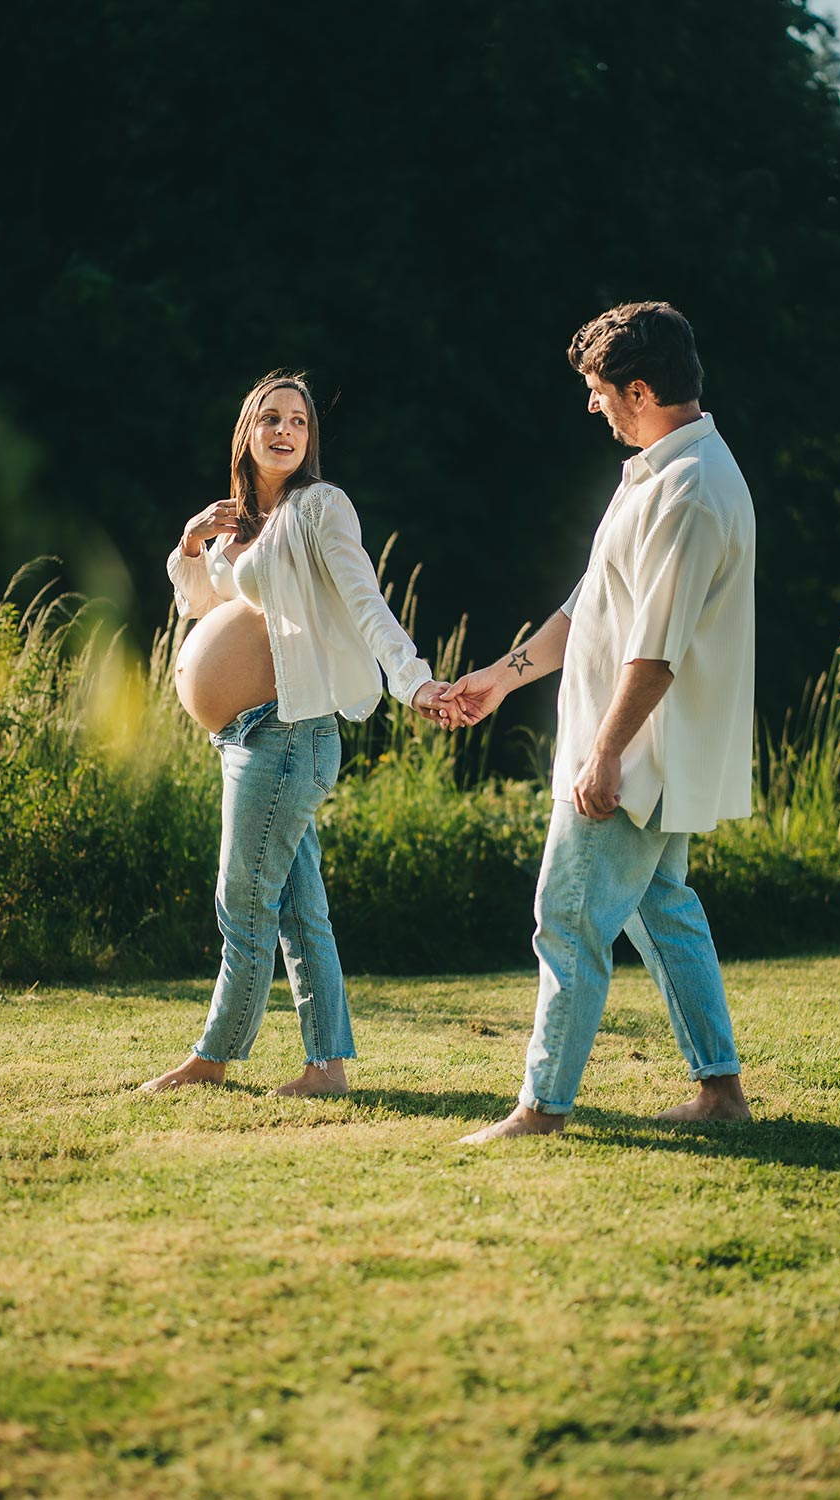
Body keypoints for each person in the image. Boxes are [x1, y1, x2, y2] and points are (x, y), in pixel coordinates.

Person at [438, 302, 755, 1140]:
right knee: (664, 912)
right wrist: (500, 679)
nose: (593, 405)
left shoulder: (690, 492)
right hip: (635, 753)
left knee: (568, 918)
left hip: (637, 758)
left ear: (641, 389)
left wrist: (604, 755)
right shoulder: (655, 473)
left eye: (599, 390)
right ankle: (720, 1092)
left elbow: (654, 654)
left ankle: (541, 1109)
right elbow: (588, 612)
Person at [140, 371, 447, 1095]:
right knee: (300, 912)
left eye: (299, 422)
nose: (285, 431)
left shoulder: (319, 508)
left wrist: (415, 681)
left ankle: (213, 1058)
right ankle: (327, 1067)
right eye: (270, 418)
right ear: (247, 432)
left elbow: (366, 600)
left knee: (241, 899)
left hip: (288, 733)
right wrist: (190, 543)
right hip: (246, 738)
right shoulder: (236, 528)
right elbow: (199, 608)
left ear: (309, 440)